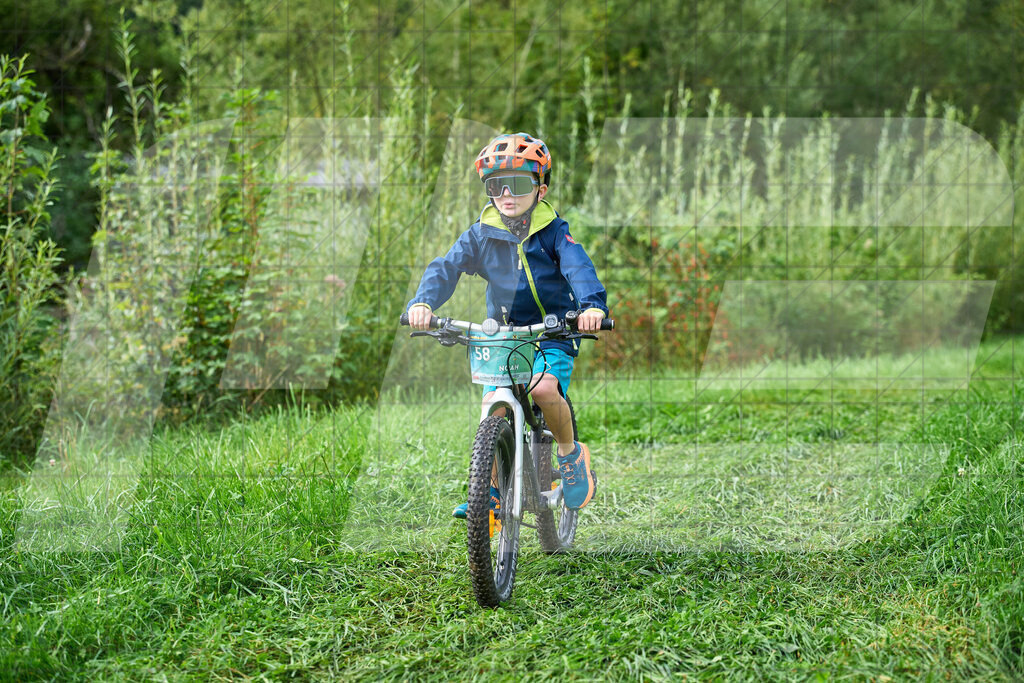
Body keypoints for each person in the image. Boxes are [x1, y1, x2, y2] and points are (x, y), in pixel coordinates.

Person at [406, 132, 609, 516]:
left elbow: (578, 268)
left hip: (555, 326)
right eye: (496, 186)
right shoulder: (481, 235)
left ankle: (569, 457)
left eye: (517, 184)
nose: (506, 194)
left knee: (545, 390)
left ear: (541, 189)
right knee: (494, 403)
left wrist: (591, 307)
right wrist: (423, 302)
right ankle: (491, 491)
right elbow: (446, 268)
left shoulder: (553, 233)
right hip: (502, 330)